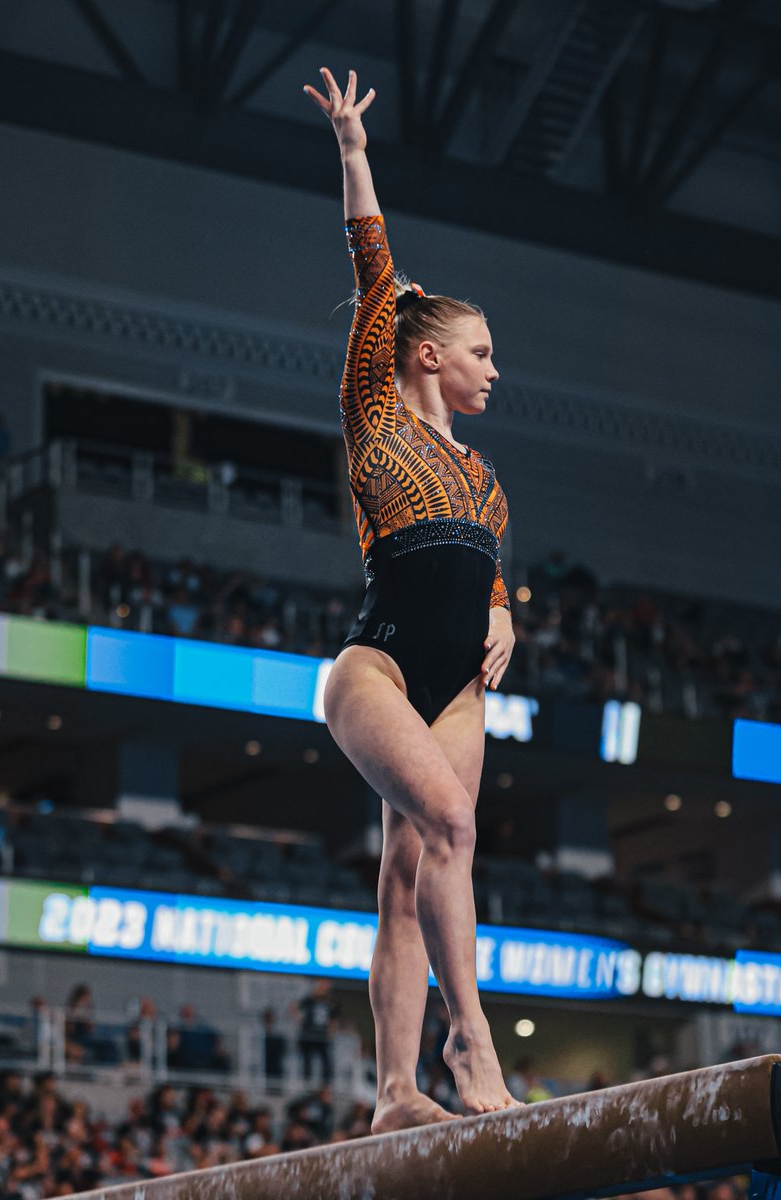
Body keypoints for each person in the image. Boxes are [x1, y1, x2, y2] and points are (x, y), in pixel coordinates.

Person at [303, 67, 518, 1132]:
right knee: (451, 820)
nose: (494, 372)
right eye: (481, 354)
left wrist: (509, 609)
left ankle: (394, 1096)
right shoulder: (376, 417)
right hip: (377, 671)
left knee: (406, 872)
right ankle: (469, 1035)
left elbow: (491, 562)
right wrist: (354, 152)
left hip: (459, 687)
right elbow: (373, 268)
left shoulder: (481, 476)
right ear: (429, 355)